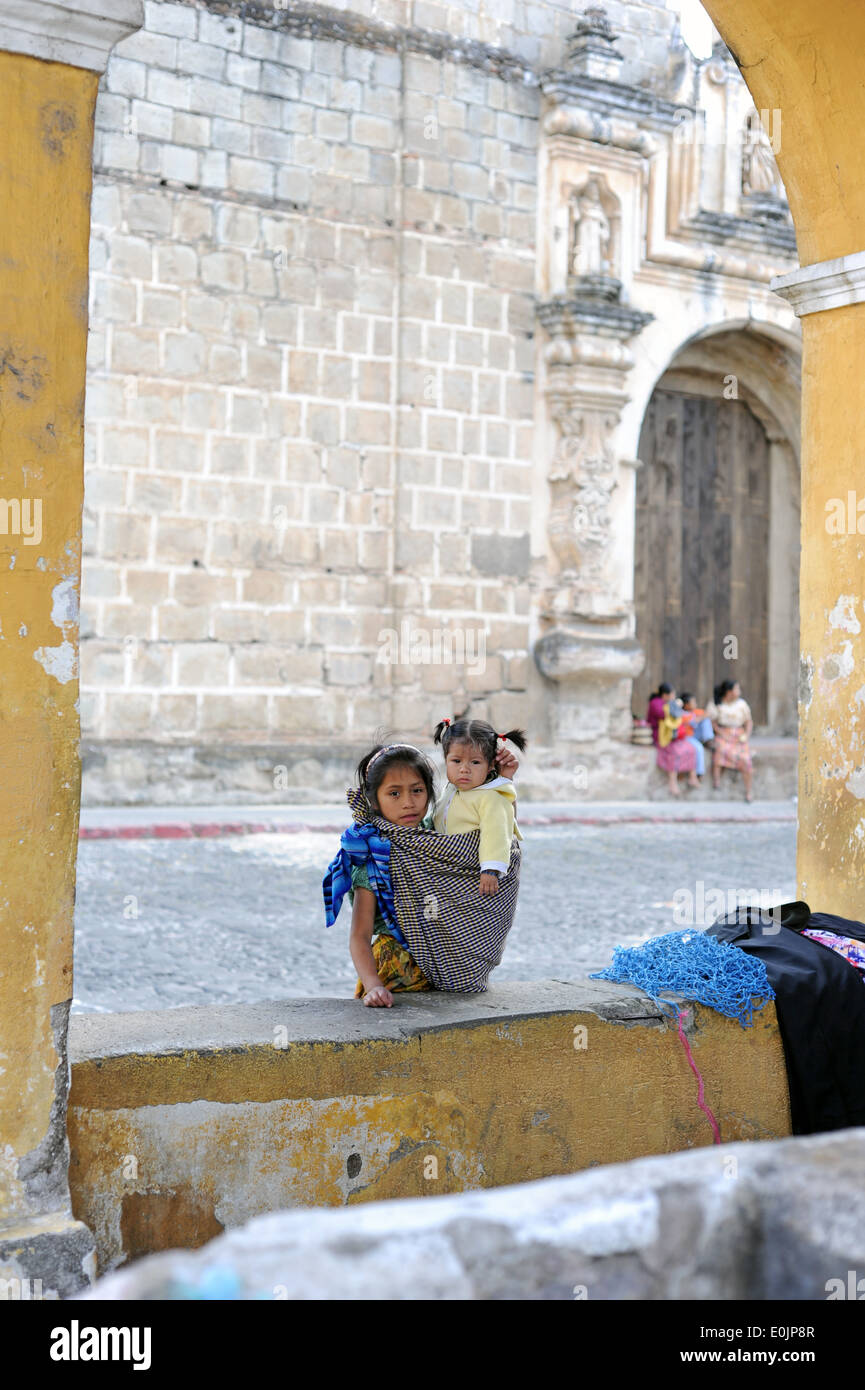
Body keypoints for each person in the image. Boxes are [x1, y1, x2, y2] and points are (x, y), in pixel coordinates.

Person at [322, 738, 520, 1008]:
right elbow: (359, 935)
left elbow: (499, 833)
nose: (408, 803)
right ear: (374, 801)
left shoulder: (437, 834)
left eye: (417, 790)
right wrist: (373, 986)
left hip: (449, 963)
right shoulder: (374, 856)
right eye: (394, 793)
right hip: (396, 972)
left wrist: (502, 780)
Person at [431, 716, 527, 896]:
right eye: (456, 761)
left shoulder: (491, 798)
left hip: (474, 875)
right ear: (446, 759)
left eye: (475, 762)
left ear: (491, 765)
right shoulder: (451, 790)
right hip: (449, 870)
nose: (464, 769)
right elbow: (436, 817)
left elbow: (497, 833)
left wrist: (490, 869)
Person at [646, 683, 699, 796]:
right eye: (672, 694)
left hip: (672, 735)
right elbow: (666, 715)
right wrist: (674, 705)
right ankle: (672, 783)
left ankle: (692, 777)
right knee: (674, 753)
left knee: (691, 749)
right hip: (660, 735)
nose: (674, 696)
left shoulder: (667, 703)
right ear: (665, 695)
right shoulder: (656, 703)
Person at [706, 679, 754, 801]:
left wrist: (746, 736)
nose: (739, 691)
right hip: (723, 733)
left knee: (745, 759)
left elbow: (748, 721)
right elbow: (711, 722)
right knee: (720, 750)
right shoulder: (717, 703)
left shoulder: (741, 704)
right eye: (736, 689)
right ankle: (716, 782)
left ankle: (748, 792)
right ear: (729, 692)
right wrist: (721, 732)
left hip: (739, 735)